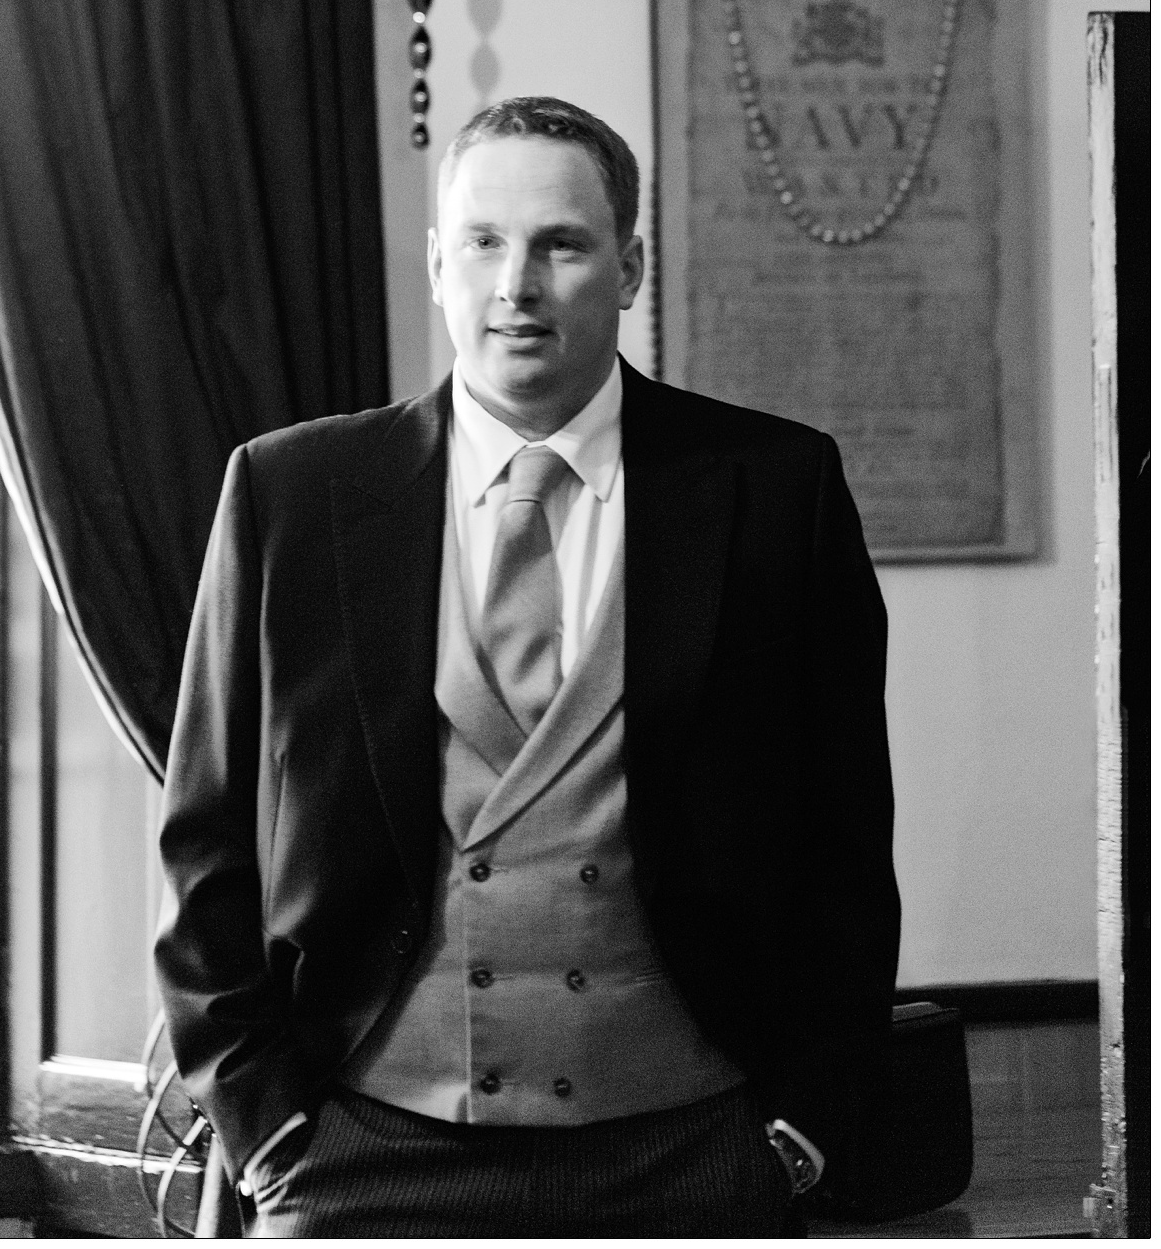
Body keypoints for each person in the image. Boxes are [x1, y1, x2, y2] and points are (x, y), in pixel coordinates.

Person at [155, 95, 899, 1238]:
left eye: (561, 243)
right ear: (439, 261)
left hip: (694, 1145)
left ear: (632, 264)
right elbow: (202, 838)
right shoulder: (290, 495)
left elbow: (847, 842)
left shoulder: (774, 491)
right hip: (364, 1153)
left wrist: (797, 1127)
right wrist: (268, 1132)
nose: (518, 285)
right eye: (486, 243)